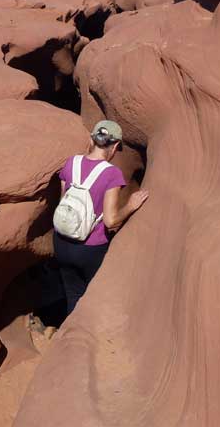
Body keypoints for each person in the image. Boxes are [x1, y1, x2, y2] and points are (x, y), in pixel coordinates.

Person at [54, 119, 149, 316]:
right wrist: (130, 206)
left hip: (61, 242)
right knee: (94, 300)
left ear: (92, 140)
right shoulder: (111, 174)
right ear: (114, 146)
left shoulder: (71, 163)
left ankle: (70, 332)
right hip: (89, 249)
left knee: (73, 295)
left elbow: (63, 201)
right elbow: (110, 220)